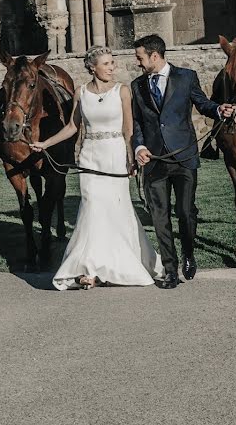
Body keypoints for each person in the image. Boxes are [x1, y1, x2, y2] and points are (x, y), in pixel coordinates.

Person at [30, 46, 163, 290]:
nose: (112, 67)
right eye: (107, 63)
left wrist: (131, 156)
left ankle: (120, 263)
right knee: (91, 209)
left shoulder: (122, 91)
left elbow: (129, 130)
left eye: (113, 63)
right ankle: (88, 268)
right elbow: (72, 126)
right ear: (93, 67)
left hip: (114, 155)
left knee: (114, 210)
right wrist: (45, 143)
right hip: (90, 156)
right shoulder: (81, 92)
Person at [131, 34, 236, 289]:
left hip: (185, 156)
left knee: (186, 213)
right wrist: (139, 147)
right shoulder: (137, 86)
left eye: (140, 58)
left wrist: (218, 110)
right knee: (159, 215)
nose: (138, 63)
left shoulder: (186, 77)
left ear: (154, 56)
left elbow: (203, 104)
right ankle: (170, 269)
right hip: (154, 160)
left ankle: (188, 253)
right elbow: (137, 123)